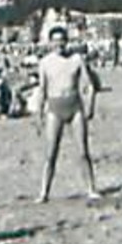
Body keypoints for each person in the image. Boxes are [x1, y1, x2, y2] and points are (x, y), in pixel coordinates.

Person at [36, 24, 100, 202]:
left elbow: (90, 85)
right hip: (54, 107)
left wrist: (91, 106)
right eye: (55, 41)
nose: (59, 45)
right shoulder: (45, 62)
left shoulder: (77, 59)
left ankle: (91, 189)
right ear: (50, 43)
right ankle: (44, 192)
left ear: (67, 41)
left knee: (83, 151)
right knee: (51, 154)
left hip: (75, 106)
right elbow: (42, 90)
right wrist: (38, 114)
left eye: (62, 41)